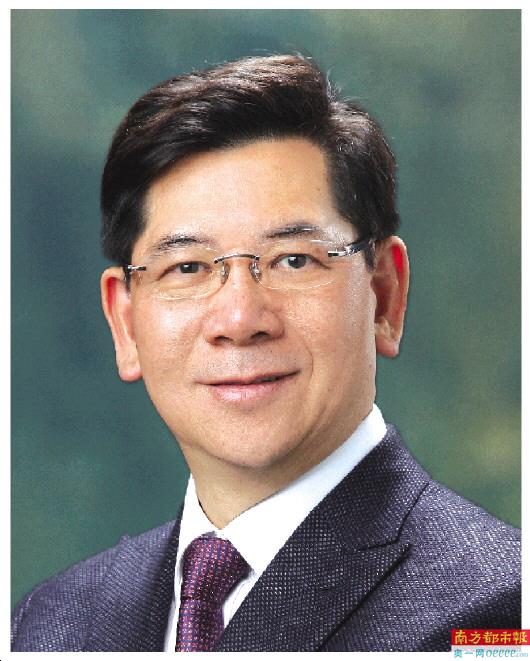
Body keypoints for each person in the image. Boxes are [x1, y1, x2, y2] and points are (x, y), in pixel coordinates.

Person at [11, 54, 520, 652]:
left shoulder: (498, 613)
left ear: (384, 295)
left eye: (294, 260)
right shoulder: (50, 624)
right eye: (188, 267)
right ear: (125, 323)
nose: (239, 320)